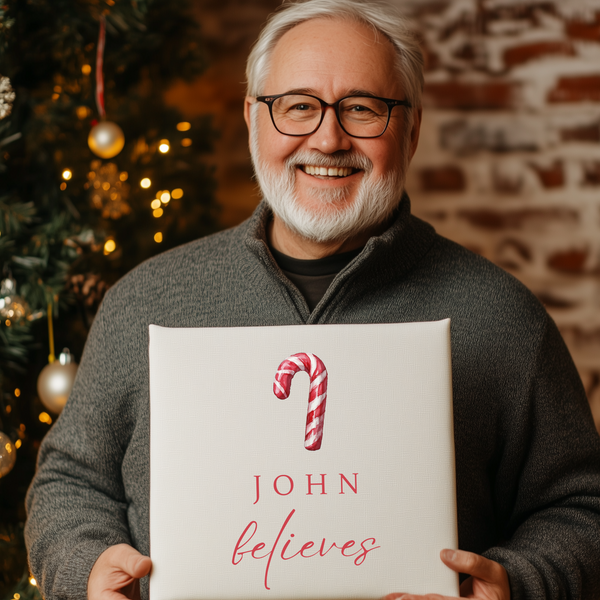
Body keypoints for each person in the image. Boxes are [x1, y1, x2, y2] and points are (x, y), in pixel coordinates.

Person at [25, 1, 600, 600]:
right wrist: (85, 568)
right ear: (253, 119)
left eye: (362, 108)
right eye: (297, 106)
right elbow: (71, 480)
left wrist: (519, 583)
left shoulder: (501, 315)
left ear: (411, 128)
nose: (327, 138)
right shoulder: (144, 302)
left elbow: (582, 507)